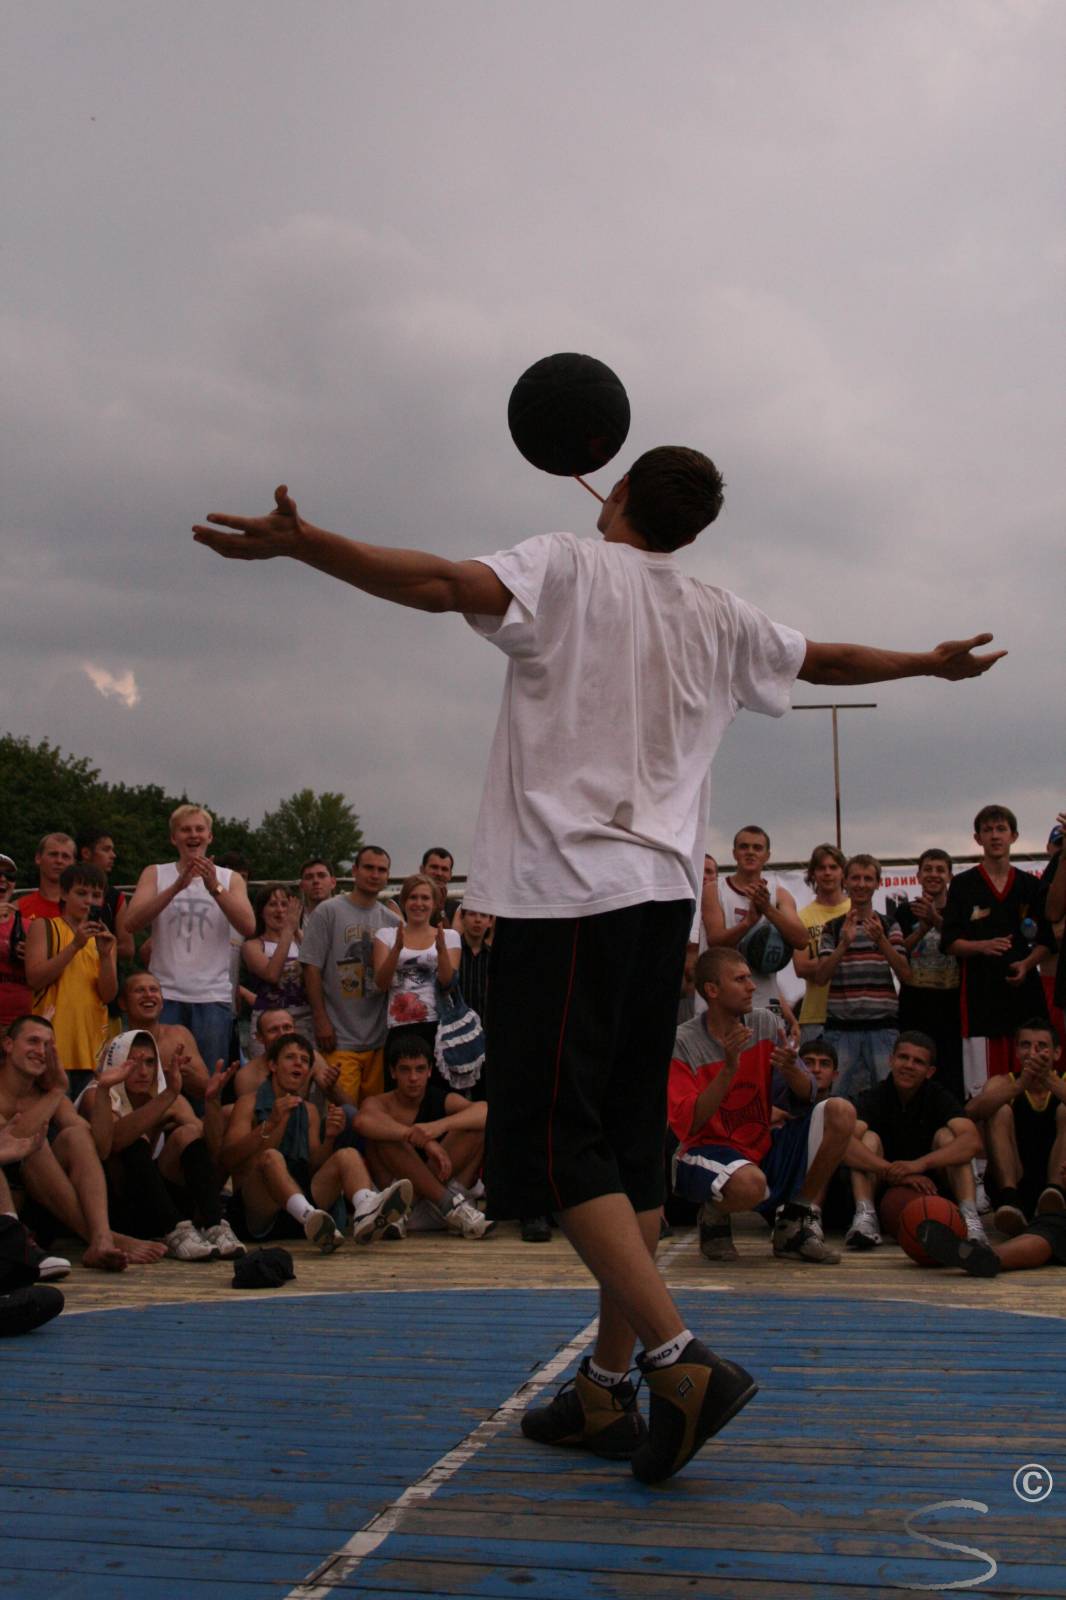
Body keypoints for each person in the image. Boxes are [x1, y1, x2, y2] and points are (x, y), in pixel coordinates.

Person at [195, 451, 1003, 1483]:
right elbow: (829, 658)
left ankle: (676, 1359)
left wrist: (309, 544)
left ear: (614, 493)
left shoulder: (566, 565)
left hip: (567, 893)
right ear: (694, 529)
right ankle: (600, 1388)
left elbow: (441, 585)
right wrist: (929, 664)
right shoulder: (717, 612)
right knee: (629, 1144)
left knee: (555, 1134)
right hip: (662, 903)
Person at [669, 949, 853, 1265]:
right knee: (750, 1185)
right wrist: (728, 1068)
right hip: (705, 1152)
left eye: (750, 978)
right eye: (740, 979)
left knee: (841, 1111)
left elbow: (807, 1095)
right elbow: (691, 1123)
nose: (752, 987)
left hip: (759, 1144)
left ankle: (792, 1224)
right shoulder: (683, 1041)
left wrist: (794, 1070)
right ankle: (714, 1214)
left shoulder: (765, 1023)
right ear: (712, 990)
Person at [0, 1015, 165, 1269]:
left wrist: (102, 1089)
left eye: (48, 1045)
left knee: (75, 1137)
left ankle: (101, 1238)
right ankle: (107, 1237)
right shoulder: (51, 1093)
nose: (40, 1051)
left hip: (45, 1213)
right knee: (36, 1146)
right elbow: (12, 1143)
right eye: (32, 1041)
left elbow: (98, 1148)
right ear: (8, 1045)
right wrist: (56, 1091)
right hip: (8, 1214)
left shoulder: (48, 1094)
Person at [222, 1032, 412, 1249]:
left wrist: (330, 1138)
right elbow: (229, 1159)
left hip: (302, 1207)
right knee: (271, 1158)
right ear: (273, 1066)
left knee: (347, 1154)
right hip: (259, 1210)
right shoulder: (248, 1104)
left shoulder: (309, 1110)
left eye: (304, 1060)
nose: (298, 1063)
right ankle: (309, 1217)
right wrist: (271, 1124)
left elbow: (313, 1164)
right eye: (290, 1057)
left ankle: (365, 1211)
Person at [78, 1031, 243, 1260]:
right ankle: (173, 1229)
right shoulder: (97, 1093)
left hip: (157, 1201)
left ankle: (214, 1224)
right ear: (117, 1062)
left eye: (149, 1062)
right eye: (133, 1063)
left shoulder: (165, 1094)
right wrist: (168, 1096)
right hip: (114, 1206)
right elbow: (112, 1144)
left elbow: (210, 1150)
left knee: (187, 1133)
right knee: (136, 1140)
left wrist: (212, 1102)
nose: (143, 1072)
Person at [125, 805, 255, 1073]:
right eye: (185, 830)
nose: (193, 835)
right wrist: (175, 888)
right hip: (164, 995)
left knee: (206, 1079)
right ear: (174, 838)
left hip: (211, 997)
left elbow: (248, 925)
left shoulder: (229, 879)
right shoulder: (155, 873)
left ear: (210, 837)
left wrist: (214, 888)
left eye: (199, 829)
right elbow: (131, 922)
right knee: (156, 1077)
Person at [941, 805, 1050, 1097]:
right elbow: (949, 942)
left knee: (1031, 1091)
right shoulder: (963, 885)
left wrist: (1027, 964)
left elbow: (1047, 940)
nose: (994, 836)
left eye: (1001, 829)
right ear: (977, 839)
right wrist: (982, 946)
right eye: (987, 830)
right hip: (980, 1002)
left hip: (1025, 1000)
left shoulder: (1030, 885)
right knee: (984, 1094)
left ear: (1014, 836)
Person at [843, 1032, 985, 1250]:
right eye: (903, 1057)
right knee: (867, 1139)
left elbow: (972, 1142)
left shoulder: (939, 1096)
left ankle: (969, 1218)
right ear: (891, 1060)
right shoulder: (875, 1096)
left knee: (949, 1138)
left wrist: (919, 1165)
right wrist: (894, 1171)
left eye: (918, 1061)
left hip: (935, 1186)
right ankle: (865, 1215)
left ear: (930, 1072)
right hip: (883, 1183)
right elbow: (846, 1145)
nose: (908, 1065)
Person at [355, 1032, 494, 1238]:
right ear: (392, 1072)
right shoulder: (379, 1103)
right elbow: (362, 1121)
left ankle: (438, 1205)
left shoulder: (440, 1098)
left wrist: (438, 1127)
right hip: (401, 1209)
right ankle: (447, 1205)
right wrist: (416, 1137)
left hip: (441, 1209)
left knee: (473, 1126)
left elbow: (485, 1111)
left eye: (420, 1069)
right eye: (405, 1070)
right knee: (385, 1134)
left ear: (430, 1071)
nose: (413, 1078)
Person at [300, 844, 399, 1107]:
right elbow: (310, 967)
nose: (374, 874)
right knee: (342, 1118)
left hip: (378, 1039)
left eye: (382, 870)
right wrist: (320, 1019)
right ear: (354, 870)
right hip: (339, 1037)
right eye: (368, 867)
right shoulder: (329, 911)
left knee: (373, 1117)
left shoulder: (391, 921)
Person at [814, 854, 910, 1099]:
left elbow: (906, 975)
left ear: (878, 883)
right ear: (844, 881)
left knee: (889, 1100)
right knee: (835, 1101)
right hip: (841, 1029)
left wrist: (881, 941)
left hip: (882, 1029)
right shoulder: (834, 928)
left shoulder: (889, 925)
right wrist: (843, 945)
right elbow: (821, 976)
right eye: (855, 877)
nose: (861, 884)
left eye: (868, 878)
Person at [964, 1018, 1065, 1234]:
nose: (1033, 1052)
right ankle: (1011, 1200)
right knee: (999, 1109)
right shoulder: (1002, 1082)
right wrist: (1019, 1086)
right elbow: (969, 1113)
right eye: (1025, 1045)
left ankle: (1054, 1191)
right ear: (1017, 1051)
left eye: (1041, 1046)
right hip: (1016, 1184)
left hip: (1059, 1187)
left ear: (1057, 1053)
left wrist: (1050, 1081)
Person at [24, 863, 118, 1091]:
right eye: (81, 893)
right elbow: (35, 978)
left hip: (91, 1045)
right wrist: (75, 945)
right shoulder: (44, 926)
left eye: (96, 895)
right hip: (54, 1044)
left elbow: (108, 995)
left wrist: (105, 957)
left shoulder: (105, 938)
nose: (89, 901)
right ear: (65, 894)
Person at [704, 826, 806, 1035]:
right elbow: (715, 943)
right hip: (724, 1002)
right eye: (744, 847)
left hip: (764, 1000)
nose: (750, 852)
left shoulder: (778, 894)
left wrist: (767, 909)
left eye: (757, 848)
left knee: (764, 1065)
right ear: (734, 853)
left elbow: (801, 939)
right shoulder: (715, 890)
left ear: (767, 855)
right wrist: (748, 922)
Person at [891, 848, 963, 1100]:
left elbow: (965, 944)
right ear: (918, 876)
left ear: (950, 876)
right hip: (915, 1003)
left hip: (951, 1004)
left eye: (940, 870)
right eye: (928, 869)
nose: (934, 874)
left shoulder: (959, 911)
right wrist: (923, 927)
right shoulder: (903, 912)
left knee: (951, 1075)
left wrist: (937, 919)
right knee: (912, 1071)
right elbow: (897, 953)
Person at [373, 873, 461, 1060]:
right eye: (413, 897)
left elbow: (447, 983)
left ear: (435, 903)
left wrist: (441, 949)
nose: (418, 903)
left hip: (438, 1024)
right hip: (399, 1026)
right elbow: (381, 984)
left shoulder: (450, 935)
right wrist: (396, 949)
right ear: (404, 901)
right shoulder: (385, 935)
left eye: (425, 898)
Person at [791, 844, 849, 1044]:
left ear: (843, 872)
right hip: (816, 1015)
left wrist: (823, 962)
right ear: (813, 874)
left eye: (833, 867)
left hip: (854, 1016)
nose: (827, 873)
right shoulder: (803, 917)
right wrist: (844, 956)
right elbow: (800, 967)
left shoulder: (856, 911)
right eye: (821, 868)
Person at [119, 971, 210, 1101]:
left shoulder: (179, 1036)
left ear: (162, 1001)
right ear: (123, 1003)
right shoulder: (117, 1045)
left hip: (177, 1114)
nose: (148, 995)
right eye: (139, 990)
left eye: (153, 990)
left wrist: (187, 1074)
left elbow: (207, 1090)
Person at [243, 883, 312, 1044]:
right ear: (261, 911)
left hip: (304, 1020)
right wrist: (288, 931)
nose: (280, 910)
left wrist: (297, 931)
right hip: (269, 1023)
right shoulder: (252, 946)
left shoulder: (301, 940)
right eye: (273, 905)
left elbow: (316, 970)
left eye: (285, 904)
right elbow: (272, 975)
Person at [75, 829, 135, 962]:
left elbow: (127, 949)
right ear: (86, 853)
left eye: (96, 895)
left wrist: (99, 949)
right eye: (106, 849)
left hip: (104, 974)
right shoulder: (64, 891)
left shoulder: (114, 897)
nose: (113, 855)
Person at [16, 834, 77, 928]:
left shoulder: (83, 907)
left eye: (65, 856)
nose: (59, 861)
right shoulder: (17, 908)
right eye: (53, 854)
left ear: (73, 863)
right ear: (38, 858)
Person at [0, 853, 31, 1029]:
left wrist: (33, 959)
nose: (3, 879)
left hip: (19, 1025)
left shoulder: (27, 925)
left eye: (9, 876)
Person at [421, 848, 460, 923]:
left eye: (444, 869)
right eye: (434, 867)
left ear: (450, 875)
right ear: (422, 870)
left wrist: (440, 910)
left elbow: (452, 934)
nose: (439, 873)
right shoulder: (400, 902)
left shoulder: (457, 909)